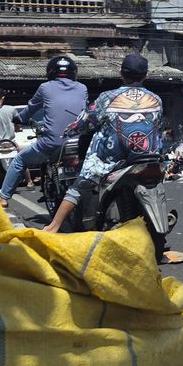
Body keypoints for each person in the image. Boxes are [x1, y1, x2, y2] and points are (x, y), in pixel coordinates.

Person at [43, 54, 163, 233]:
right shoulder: (156, 99)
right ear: (146, 75)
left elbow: (85, 121)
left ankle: (52, 228)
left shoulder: (106, 98)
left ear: (121, 74)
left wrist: (72, 129)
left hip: (114, 158)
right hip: (150, 155)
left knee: (80, 184)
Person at [0, 56, 88, 207]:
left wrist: (19, 119)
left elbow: (30, 109)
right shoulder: (82, 88)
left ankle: (3, 197)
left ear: (50, 72)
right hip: (79, 142)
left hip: (52, 143)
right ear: (74, 72)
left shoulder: (45, 87)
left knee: (20, 159)